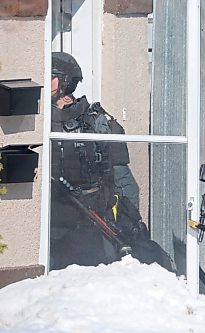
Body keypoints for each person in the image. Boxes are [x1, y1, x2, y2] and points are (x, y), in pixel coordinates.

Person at [50, 51, 145, 270]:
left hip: (89, 226)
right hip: (49, 227)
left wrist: (128, 226)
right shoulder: (38, 122)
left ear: (65, 81)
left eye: (50, 75)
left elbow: (126, 184)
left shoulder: (98, 124)